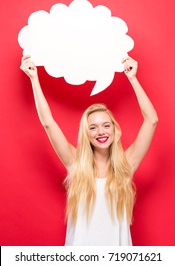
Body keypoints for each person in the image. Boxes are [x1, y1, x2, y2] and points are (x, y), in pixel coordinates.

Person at [20, 55, 158, 246]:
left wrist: (132, 78)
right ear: (87, 134)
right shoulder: (75, 163)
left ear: (115, 129)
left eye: (106, 125)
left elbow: (151, 120)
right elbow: (48, 123)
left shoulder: (126, 165)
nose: (101, 132)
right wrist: (34, 78)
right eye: (93, 127)